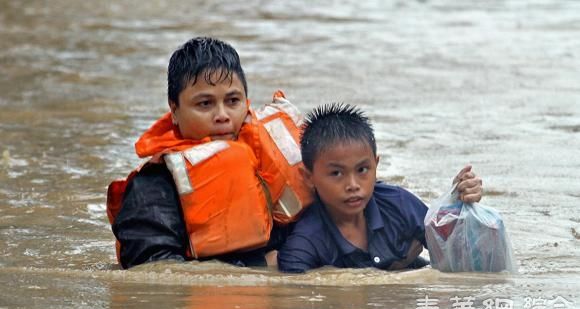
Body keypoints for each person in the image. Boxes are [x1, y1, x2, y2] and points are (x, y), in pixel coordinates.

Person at [107, 37, 308, 269]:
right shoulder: (152, 189)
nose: (222, 115)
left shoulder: (268, 157)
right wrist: (263, 265)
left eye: (233, 101)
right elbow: (152, 274)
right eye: (205, 104)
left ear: (247, 102)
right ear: (174, 110)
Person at [277, 103, 483, 273]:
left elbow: (461, 257)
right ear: (309, 177)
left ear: (376, 165)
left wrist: (458, 205)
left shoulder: (399, 205)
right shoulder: (307, 241)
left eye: (362, 170)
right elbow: (292, 294)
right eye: (336, 173)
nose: (353, 185)